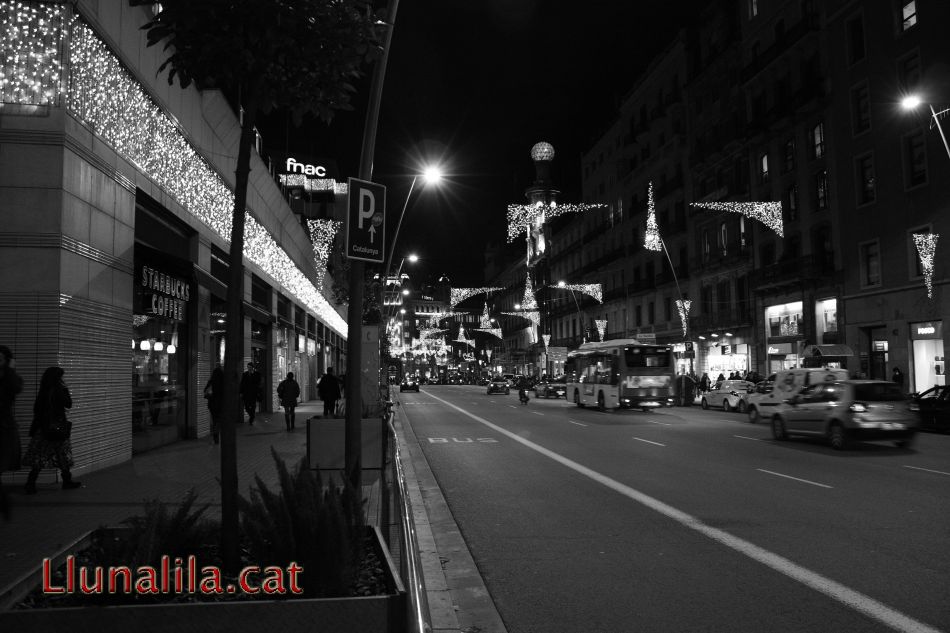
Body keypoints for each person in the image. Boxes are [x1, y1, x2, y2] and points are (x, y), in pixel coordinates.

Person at [24, 367, 81, 494]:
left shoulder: (43, 391)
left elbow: (36, 410)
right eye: (61, 377)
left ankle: (30, 483)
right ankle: (66, 481)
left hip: (43, 428)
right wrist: (65, 390)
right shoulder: (59, 390)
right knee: (62, 455)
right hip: (57, 428)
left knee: (40, 456)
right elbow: (68, 404)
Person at [0, 346, 23, 519]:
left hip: (3, 429)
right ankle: (4, 501)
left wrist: (11, 369)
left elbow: (15, 387)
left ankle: (4, 501)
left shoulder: (10, 379)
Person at [203, 363, 224, 444]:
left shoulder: (211, 381)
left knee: (215, 419)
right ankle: (216, 432)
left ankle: (216, 438)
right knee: (219, 420)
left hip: (212, 404)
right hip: (220, 404)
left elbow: (205, 391)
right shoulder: (223, 382)